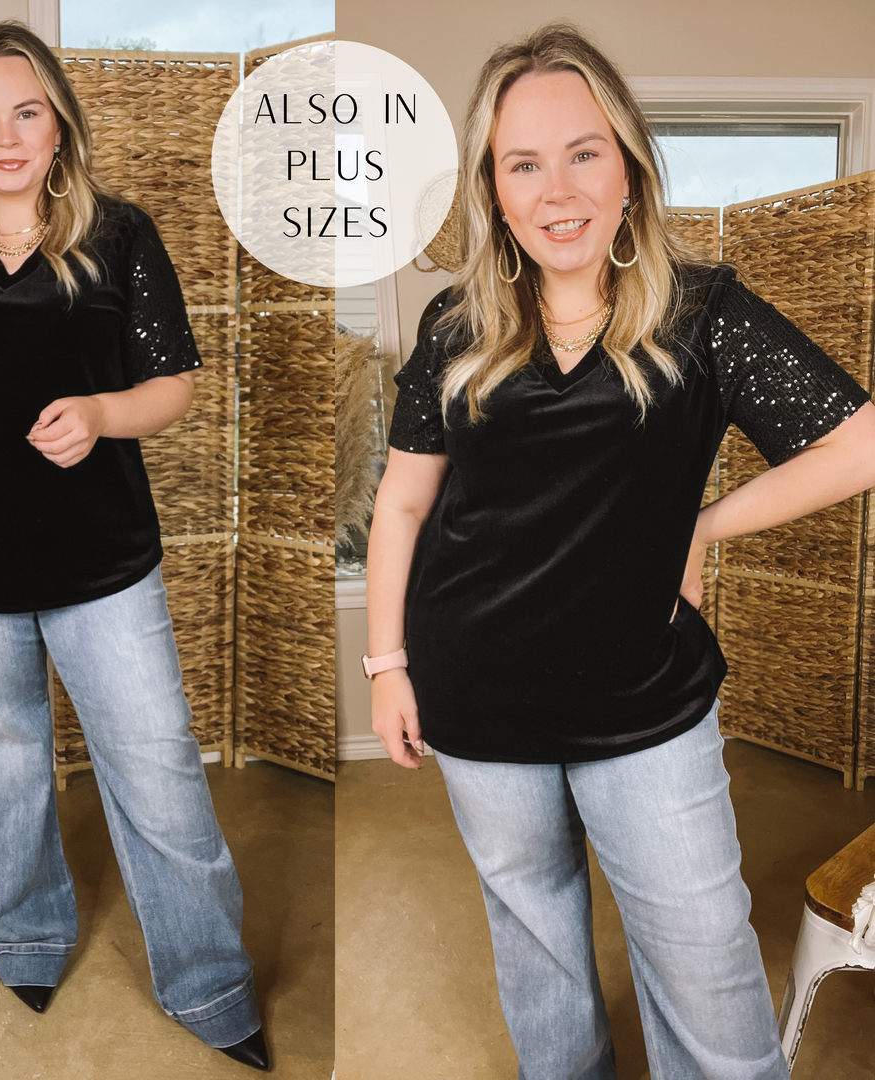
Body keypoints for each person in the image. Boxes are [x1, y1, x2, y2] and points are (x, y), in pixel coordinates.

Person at [365, 23, 875, 1080]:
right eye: (524, 163)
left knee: (703, 968)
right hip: (475, 692)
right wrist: (386, 664)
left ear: (631, 166)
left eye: (584, 152)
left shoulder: (704, 317)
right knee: (540, 952)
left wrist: (701, 523)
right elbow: (404, 509)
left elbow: (860, 442)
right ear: (493, 191)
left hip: (645, 700)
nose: (558, 189)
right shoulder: (455, 328)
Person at [0, 21, 268, 1072]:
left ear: (58, 125)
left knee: (158, 768)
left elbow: (173, 384)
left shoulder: (120, 235)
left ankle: (211, 983)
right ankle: (29, 934)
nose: (5, 135)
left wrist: (99, 413)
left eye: (26, 111)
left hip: (101, 562)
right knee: (3, 760)